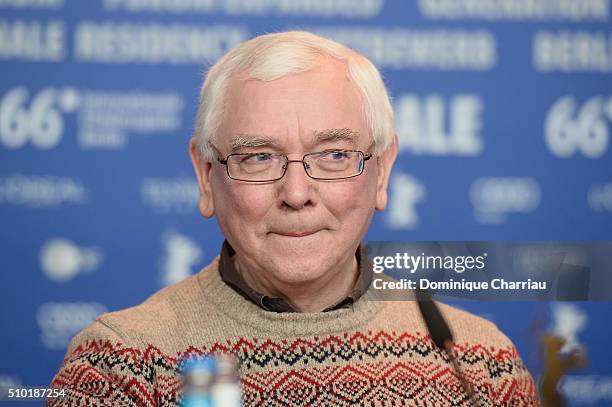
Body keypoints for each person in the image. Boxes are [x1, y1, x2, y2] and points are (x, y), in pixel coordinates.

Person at [48, 31, 540, 406]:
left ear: (383, 170)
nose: (297, 194)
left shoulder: (479, 363)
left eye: (334, 155)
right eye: (258, 157)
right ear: (205, 176)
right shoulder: (120, 366)